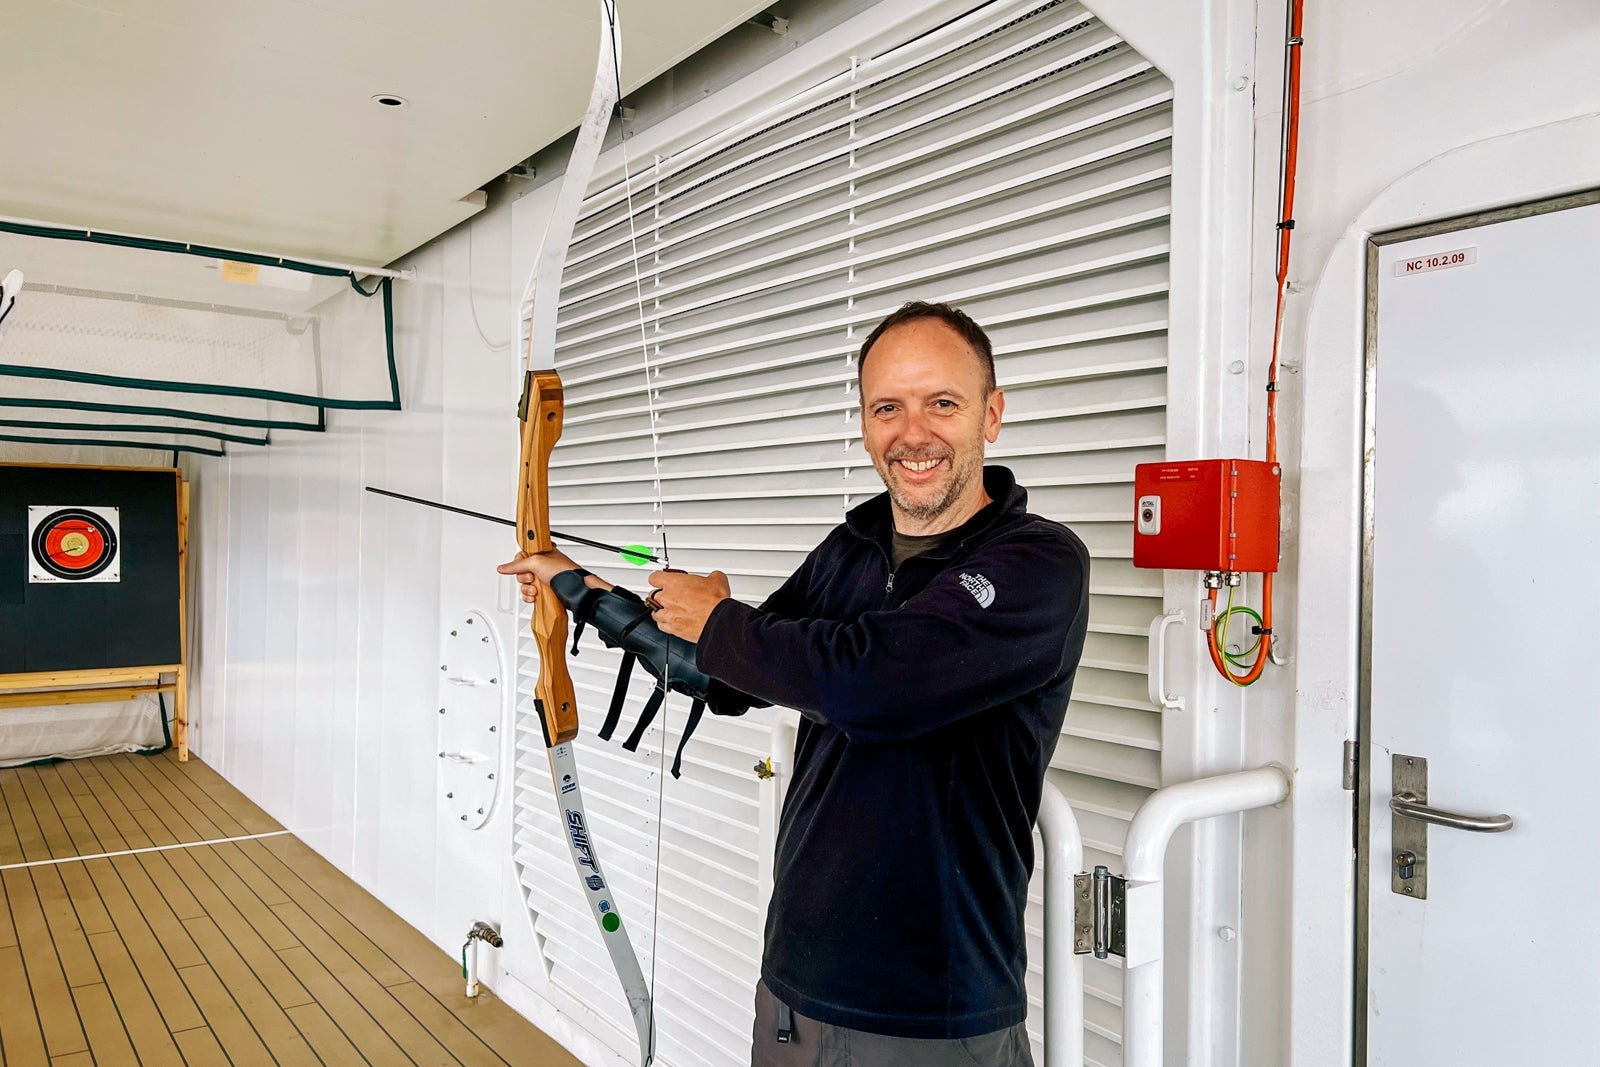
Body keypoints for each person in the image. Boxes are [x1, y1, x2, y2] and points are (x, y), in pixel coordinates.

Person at [501, 301, 1089, 1067]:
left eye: (942, 402)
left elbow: (877, 682)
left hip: (932, 1014)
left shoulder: (1038, 562)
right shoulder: (851, 548)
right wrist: (584, 592)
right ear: (866, 423)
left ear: (992, 414)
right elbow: (730, 674)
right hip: (793, 993)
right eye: (887, 407)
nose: (913, 432)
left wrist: (722, 622)